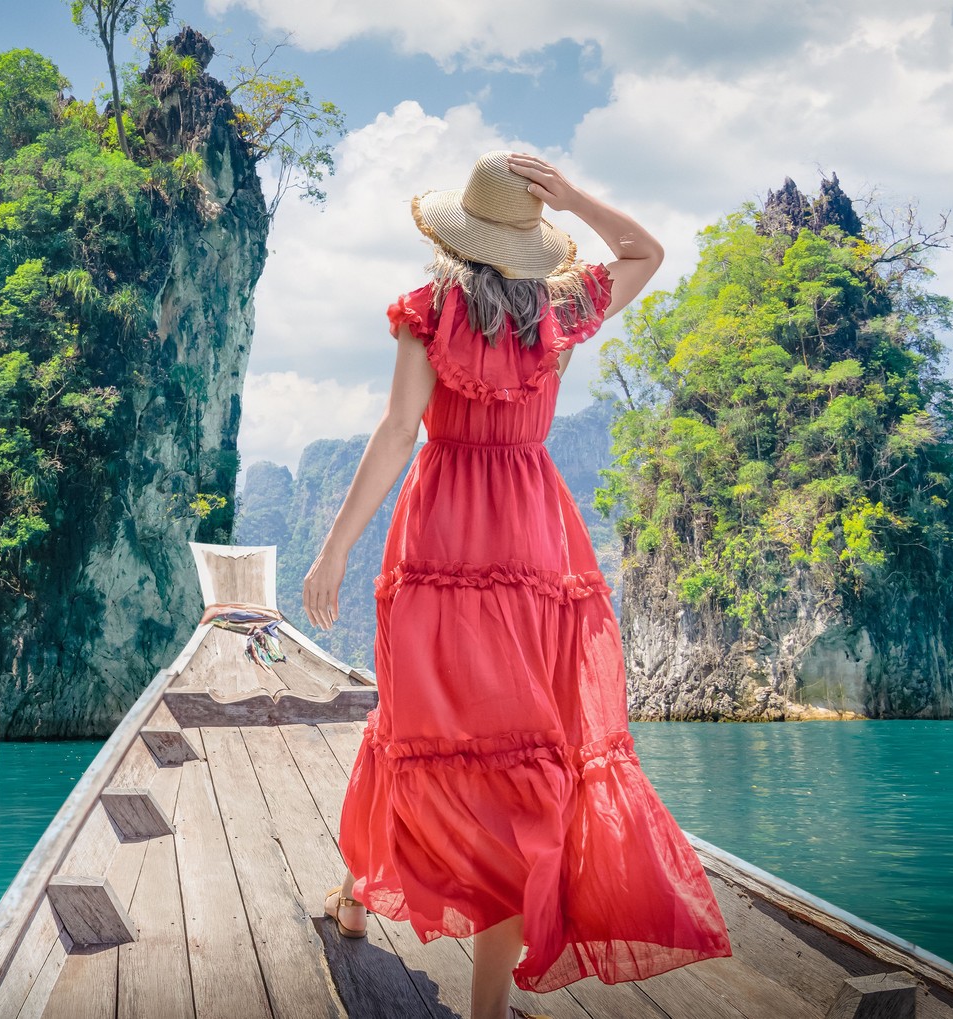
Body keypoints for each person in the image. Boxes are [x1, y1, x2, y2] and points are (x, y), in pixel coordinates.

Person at [301, 150, 734, 1019]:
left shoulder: (427, 312)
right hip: (535, 541)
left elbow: (396, 434)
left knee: (414, 731)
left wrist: (335, 547)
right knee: (525, 756)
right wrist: (575, 196)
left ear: (459, 236)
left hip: (441, 540)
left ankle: (357, 894)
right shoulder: (565, 310)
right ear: (531, 240)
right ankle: (480, 1002)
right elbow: (645, 251)